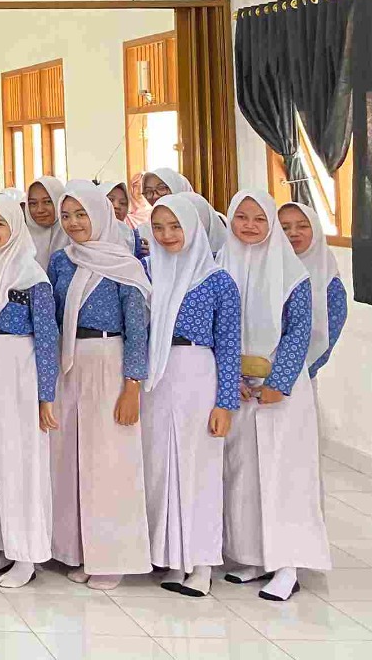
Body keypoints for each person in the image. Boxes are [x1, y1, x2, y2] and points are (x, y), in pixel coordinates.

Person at [217, 190, 330, 602]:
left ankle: (288, 565)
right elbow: (216, 327)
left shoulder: (292, 274)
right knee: (243, 473)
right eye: (241, 217)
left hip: (280, 391)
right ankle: (253, 557)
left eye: (259, 219)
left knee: (285, 474)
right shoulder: (221, 265)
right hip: (239, 388)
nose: (249, 226)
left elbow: (299, 332)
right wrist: (230, 378)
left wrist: (277, 383)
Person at [49, 180, 153, 590]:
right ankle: (79, 551)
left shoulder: (124, 264)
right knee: (72, 458)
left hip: (111, 362)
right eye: (67, 215)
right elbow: (52, 318)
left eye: (81, 214)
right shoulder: (61, 261)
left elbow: (137, 329)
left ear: (100, 215)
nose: (74, 223)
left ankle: (112, 558)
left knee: (109, 461)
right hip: (70, 363)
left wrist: (132, 386)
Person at [141, 194, 239, 598]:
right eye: (158, 227)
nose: (166, 235)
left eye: (175, 227)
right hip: (156, 377)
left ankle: (201, 565)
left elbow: (229, 345)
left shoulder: (218, 280)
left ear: (193, 228)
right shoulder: (148, 272)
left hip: (199, 374)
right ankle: (170, 556)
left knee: (199, 469)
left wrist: (225, 403)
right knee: (160, 467)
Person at [0, 195, 57, 590]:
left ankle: (28, 556)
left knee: (23, 464)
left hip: (22, 375)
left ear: (15, 229)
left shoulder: (31, 276)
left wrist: (46, 395)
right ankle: (5, 547)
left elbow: (48, 339)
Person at [278, 201, 347, 382]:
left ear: (315, 230)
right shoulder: (266, 272)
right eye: (284, 228)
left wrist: (284, 378)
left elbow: (327, 340)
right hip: (253, 377)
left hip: (301, 379)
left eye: (302, 226)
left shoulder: (330, 285)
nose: (293, 233)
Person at [24, 177, 69, 266]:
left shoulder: (75, 238)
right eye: (33, 203)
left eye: (47, 202)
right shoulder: (19, 242)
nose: (40, 210)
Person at [105, 179, 148, 258]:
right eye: (110, 200)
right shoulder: (86, 234)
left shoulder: (132, 239)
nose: (117, 206)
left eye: (123, 203)